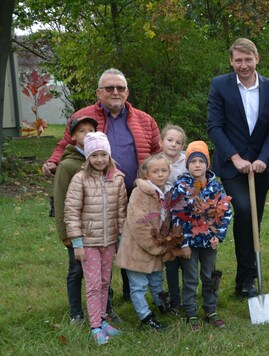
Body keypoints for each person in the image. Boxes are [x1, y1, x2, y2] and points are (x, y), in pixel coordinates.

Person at [43, 68, 161, 303]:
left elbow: (157, 151)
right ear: (99, 92)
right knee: (102, 244)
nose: (115, 92)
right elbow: (64, 144)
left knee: (132, 242)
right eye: (109, 88)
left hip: (134, 193)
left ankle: (131, 292)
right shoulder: (84, 118)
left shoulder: (144, 120)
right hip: (98, 198)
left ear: (127, 92)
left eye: (120, 88)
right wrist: (53, 161)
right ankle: (101, 297)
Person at [207, 38, 269, 298]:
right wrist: (235, 158)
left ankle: (245, 280)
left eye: (248, 59)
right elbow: (214, 126)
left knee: (254, 220)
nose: (243, 65)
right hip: (232, 166)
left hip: (260, 167)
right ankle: (247, 277)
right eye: (238, 60)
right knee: (243, 208)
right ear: (231, 61)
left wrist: (263, 157)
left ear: (257, 59)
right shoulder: (220, 85)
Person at [63, 132, 127, 345]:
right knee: (92, 284)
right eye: (95, 155)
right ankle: (95, 327)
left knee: (104, 282)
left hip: (108, 241)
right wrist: (77, 242)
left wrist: (119, 237)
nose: (100, 159)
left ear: (109, 155)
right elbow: (71, 211)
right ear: (88, 157)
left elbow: (121, 211)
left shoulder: (117, 178)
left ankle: (102, 318)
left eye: (103, 154)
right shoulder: (80, 179)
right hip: (88, 242)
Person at [171, 141, 233, 330]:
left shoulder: (216, 186)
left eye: (201, 161)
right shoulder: (181, 187)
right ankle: (191, 312)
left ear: (208, 163)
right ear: (187, 164)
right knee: (190, 278)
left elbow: (225, 212)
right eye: (193, 161)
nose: (197, 165)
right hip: (189, 241)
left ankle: (210, 309)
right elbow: (176, 216)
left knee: (209, 276)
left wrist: (218, 236)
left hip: (209, 242)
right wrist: (183, 243)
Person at [117, 153, 173, 331]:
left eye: (164, 170)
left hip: (157, 247)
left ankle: (162, 306)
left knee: (157, 280)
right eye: (155, 171)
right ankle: (145, 317)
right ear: (146, 174)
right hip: (138, 248)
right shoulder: (140, 192)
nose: (160, 174)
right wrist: (154, 245)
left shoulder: (166, 193)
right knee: (138, 285)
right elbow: (138, 223)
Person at [52, 116, 97, 323]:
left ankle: (103, 308)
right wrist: (65, 233)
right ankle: (76, 312)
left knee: (100, 269)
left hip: (97, 227)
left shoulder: (100, 160)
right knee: (76, 269)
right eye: (81, 131)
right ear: (72, 137)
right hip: (76, 229)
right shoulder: (68, 165)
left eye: (91, 130)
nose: (87, 134)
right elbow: (60, 200)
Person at [159, 124, 187, 312]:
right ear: (161, 142)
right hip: (163, 217)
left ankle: (188, 298)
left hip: (185, 216)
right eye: (170, 140)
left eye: (178, 142)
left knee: (186, 257)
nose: (173, 145)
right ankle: (173, 299)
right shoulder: (155, 161)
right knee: (169, 260)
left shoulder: (187, 161)